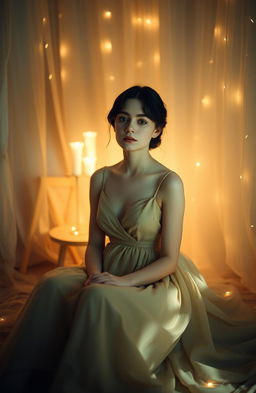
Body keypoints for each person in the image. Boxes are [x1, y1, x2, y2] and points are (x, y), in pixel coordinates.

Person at [0, 86, 256, 393]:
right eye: (123, 119)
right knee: (50, 284)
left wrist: (121, 283)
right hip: (108, 266)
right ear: (114, 124)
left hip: (155, 279)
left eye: (141, 121)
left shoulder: (168, 182)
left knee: (97, 298)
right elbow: (94, 243)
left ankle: (82, 381)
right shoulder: (101, 177)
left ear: (157, 129)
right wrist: (95, 275)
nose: (130, 128)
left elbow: (169, 259)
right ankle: (25, 374)